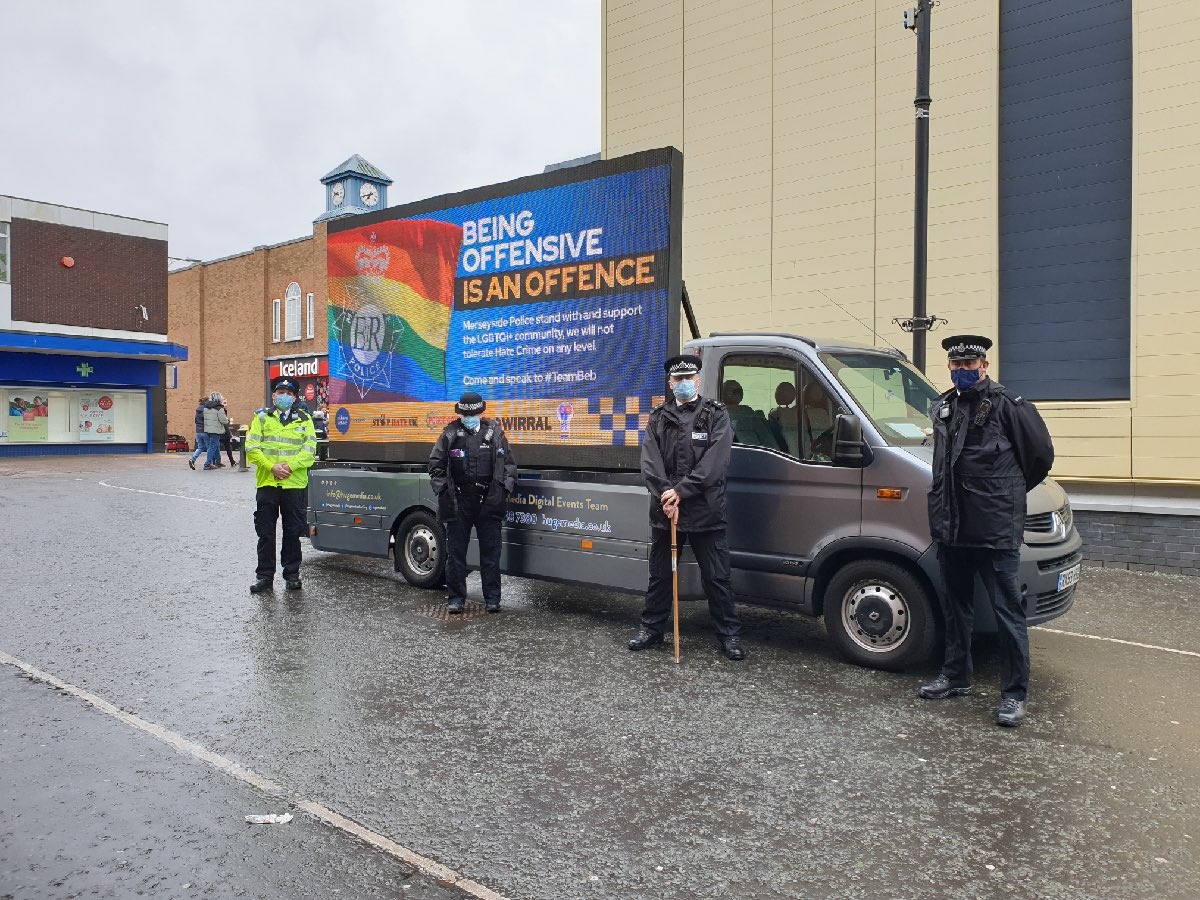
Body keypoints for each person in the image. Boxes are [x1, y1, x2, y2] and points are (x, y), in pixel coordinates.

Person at [918, 335, 1055, 728]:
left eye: (969, 364)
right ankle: (956, 676)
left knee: (1008, 614)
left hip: (994, 528)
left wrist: (1005, 492)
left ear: (984, 365)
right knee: (955, 607)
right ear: (949, 368)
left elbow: (1040, 457)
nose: (962, 370)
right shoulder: (944, 405)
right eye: (955, 365)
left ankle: (1014, 696)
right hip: (952, 525)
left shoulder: (1010, 406)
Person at [629, 355, 745, 660]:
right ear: (670, 384)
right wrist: (667, 495)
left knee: (716, 577)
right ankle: (651, 629)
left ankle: (729, 635)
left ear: (697, 380)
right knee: (661, 575)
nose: (682, 384)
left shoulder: (716, 415)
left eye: (688, 378)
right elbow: (650, 462)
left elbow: (715, 464)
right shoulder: (658, 417)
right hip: (667, 512)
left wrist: (679, 492)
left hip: (705, 510)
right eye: (677, 380)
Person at [427, 391, 517, 614]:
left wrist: (504, 490)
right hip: (459, 502)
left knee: (491, 554)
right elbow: (435, 466)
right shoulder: (449, 433)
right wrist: (443, 490)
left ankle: (493, 599)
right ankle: (456, 599)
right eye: (466, 414)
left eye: (474, 413)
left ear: (480, 412)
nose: (470, 417)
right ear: (460, 414)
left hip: (489, 501)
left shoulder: (495, 433)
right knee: (455, 554)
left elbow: (510, 467)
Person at [246, 378, 318, 593]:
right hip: (268, 483)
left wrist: (289, 465)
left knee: (292, 531)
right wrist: (271, 467)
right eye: (279, 392)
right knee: (266, 532)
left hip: (294, 485)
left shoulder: (305, 419)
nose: (283, 395)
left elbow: (309, 451)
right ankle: (265, 577)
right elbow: (251, 447)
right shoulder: (261, 418)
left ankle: (292, 574)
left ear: (295, 397)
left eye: (288, 392)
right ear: (274, 396)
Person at [201, 393, 229, 470]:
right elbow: (224, 420)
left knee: (216, 445)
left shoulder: (206, 408)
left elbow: (204, 417)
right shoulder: (219, 409)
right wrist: (228, 420)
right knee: (213, 446)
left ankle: (218, 461)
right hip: (216, 430)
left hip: (208, 429)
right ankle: (207, 464)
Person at [188, 397, 208, 470]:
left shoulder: (198, 410)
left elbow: (196, 421)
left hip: (198, 431)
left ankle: (192, 460)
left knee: (200, 447)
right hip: (204, 431)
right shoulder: (206, 410)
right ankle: (209, 463)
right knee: (209, 447)